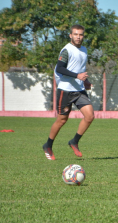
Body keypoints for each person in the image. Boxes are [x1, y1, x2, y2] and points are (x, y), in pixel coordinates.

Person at [42, 24, 94, 160]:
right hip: (65, 89)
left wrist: (84, 81)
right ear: (70, 35)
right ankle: (48, 145)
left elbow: (79, 68)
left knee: (89, 116)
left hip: (79, 89)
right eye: (75, 34)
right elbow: (60, 68)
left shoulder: (84, 50)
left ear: (83, 36)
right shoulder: (66, 50)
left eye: (81, 34)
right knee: (62, 120)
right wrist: (77, 76)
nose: (78, 37)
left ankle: (74, 141)